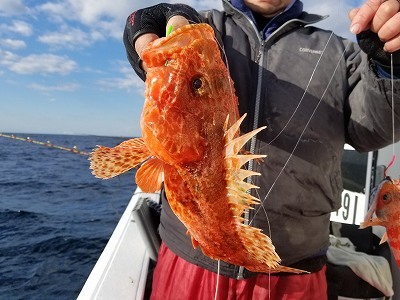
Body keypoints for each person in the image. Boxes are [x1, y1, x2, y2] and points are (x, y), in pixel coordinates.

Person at [124, 0, 400, 299]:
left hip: (292, 270)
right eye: (198, 85)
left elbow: (374, 130)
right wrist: (154, 30)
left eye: (197, 85)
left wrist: (390, 67)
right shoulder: (205, 29)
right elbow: (163, 57)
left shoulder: (341, 53)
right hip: (190, 261)